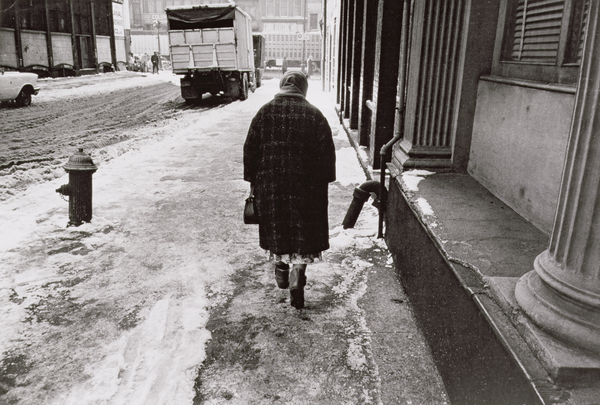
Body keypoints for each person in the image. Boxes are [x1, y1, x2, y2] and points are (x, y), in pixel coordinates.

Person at [244, 71, 336, 309]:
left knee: (279, 229)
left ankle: (282, 268)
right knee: (302, 234)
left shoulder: (264, 112)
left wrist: (254, 179)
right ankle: (297, 279)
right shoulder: (315, 115)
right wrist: (323, 180)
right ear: (304, 89)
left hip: (271, 186)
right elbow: (327, 156)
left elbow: (250, 149)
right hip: (306, 187)